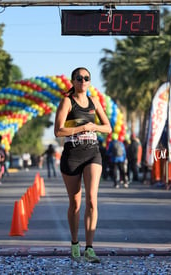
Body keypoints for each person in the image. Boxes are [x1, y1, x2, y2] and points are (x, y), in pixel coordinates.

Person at [54, 67, 111, 263]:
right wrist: (82, 127)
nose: (83, 81)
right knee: (75, 203)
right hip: (72, 154)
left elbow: (108, 127)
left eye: (86, 78)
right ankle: (75, 243)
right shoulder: (67, 102)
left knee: (92, 201)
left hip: (92, 153)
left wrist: (93, 127)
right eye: (79, 78)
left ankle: (90, 248)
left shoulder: (94, 102)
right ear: (73, 81)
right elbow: (58, 131)